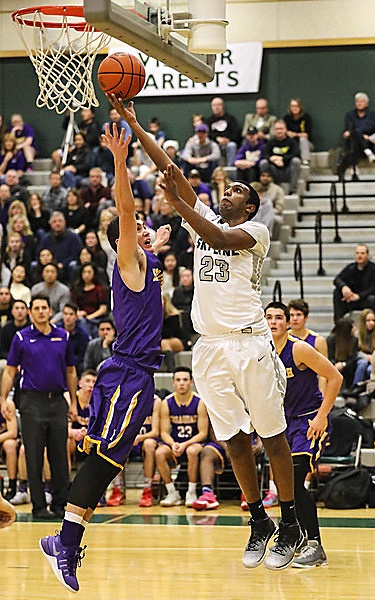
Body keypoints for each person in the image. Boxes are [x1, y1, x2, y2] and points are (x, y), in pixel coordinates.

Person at [112, 96, 303, 570]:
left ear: (250, 203)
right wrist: (135, 125)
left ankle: (292, 521)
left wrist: (177, 204)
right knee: (233, 439)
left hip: (250, 343)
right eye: (227, 187)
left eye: (237, 188)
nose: (228, 190)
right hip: (210, 347)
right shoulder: (205, 218)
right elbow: (171, 168)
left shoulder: (254, 231)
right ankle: (259, 520)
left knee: (271, 434)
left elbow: (215, 237)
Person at [38, 121, 171, 593]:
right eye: (139, 231)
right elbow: (126, 209)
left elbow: (162, 229)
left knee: (111, 461)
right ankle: (64, 544)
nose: (146, 231)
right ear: (125, 243)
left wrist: (167, 221)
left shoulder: (150, 265)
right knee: (101, 460)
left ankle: (65, 541)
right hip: (128, 372)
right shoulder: (130, 261)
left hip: (138, 374)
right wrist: (120, 158)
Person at [265, 302, 342, 568]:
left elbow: (335, 377)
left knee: (296, 482)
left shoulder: (299, 348)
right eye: (268, 317)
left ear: (289, 323)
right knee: (284, 485)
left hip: (308, 422)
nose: (273, 321)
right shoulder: (261, 352)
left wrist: (321, 416)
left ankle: (315, 545)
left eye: (279, 317)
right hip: (280, 426)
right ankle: (295, 536)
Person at [1, 293, 77, 519]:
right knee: (33, 456)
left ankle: (61, 504)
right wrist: (3, 398)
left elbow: (71, 371)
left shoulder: (62, 336)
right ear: (31, 312)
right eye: (37, 308)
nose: (41, 311)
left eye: (45, 307)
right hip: (31, 401)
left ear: (50, 310)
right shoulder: (21, 338)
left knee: (59, 457)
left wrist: (72, 402)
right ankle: (38, 507)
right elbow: (10, 370)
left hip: (58, 402)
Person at [156, 366, 208, 507]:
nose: (181, 383)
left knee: (191, 451)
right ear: (173, 383)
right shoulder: (167, 402)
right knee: (159, 453)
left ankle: (191, 492)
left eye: (185, 380)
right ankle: (172, 492)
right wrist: (173, 444)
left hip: (194, 443)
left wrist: (185, 444)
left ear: (191, 382)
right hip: (175, 444)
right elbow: (164, 433)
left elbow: (203, 433)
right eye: (178, 380)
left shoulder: (200, 402)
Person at [333, 244, 375, 322]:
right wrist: (344, 287)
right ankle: (339, 324)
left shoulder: (374, 269)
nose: (359, 256)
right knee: (337, 293)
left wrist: (359, 296)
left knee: (372, 298)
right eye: (357, 253)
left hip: (365, 299)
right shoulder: (350, 267)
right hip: (351, 299)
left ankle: (371, 322)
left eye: (362, 253)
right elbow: (337, 279)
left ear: (367, 255)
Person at [37, 211, 83, 283]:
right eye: (54, 222)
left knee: (73, 265)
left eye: (60, 221)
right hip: (50, 267)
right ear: (51, 224)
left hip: (67, 267)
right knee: (34, 265)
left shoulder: (74, 237)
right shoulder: (45, 238)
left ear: (64, 222)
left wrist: (63, 264)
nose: (57, 224)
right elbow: (40, 254)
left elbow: (76, 255)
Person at [259, 120, 301, 195]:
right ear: (274, 130)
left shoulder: (292, 142)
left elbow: (296, 154)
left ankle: (293, 190)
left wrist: (282, 159)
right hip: (273, 170)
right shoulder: (270, 142)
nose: (279, 131)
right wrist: (273, 159)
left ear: (285, 130)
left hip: (288, 170)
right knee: (263, 163)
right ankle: (266, 189)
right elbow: (264, 155)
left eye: (281, 128)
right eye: (277, 129)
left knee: (296, 161)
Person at [343, 92, 375, 179]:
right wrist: (360, 135)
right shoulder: (349, 115)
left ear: (366, 104)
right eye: (357, 101)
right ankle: (367, 152)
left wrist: (356, 133)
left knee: (355, 134)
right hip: (354, 144)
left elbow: (370, 127)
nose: (359, 103)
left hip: (369, 142)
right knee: (353, 138)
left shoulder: (372, 115)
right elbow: (349, 126)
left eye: (362, 101)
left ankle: (354, 166)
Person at [67, 369, 97, 471]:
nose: (91, 385)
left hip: (91, 441)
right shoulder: (70, 399)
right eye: (87, 381)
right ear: (80, 383)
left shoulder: (100, 402)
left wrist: (88, 433)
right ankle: (65, 483)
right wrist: (75, 433)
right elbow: (65, 429)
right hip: (74, 441)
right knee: (67, 441)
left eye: (94, 382)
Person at [70, 262, 109, 337]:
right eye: (84, 272)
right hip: (81, 317)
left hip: (96, 318)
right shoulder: (76, 288)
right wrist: (78, 313)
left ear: (94, 274)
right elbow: (74, 306)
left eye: (89, 272)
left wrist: (89, 317)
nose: (86, 275)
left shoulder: (100, 289)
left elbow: (103, 309)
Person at [206, 97, 242, 167]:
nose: (216, 107)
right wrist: (217, 138)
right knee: (212, 146)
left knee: (232, 145)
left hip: (228, 143)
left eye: (218, 105)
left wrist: (228, 140)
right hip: (215, 144)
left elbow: (237, 133)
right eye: (214, 105)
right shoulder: (209, 121)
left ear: (222, 106)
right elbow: (207, 134)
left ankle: (230, 169)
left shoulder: (230, 119)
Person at [56, 302, 90, 376]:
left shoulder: (82, 335)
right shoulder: (55, 331)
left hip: (75, 366)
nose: (68, 317)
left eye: (71, 314)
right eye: (65, 314)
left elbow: (82, 356)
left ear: (76, 316)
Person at [283, 98, 313, 165]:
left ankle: (305, 160)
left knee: (303, 139)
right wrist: (288, 133)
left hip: (306, 144)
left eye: (296, 106)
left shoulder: (306, 117)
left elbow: (306, 134)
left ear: (300, 107)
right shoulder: (286, 118)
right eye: (292, 106)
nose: (294, 108)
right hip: (292, 143)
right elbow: (285, 131)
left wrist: (295, 134)